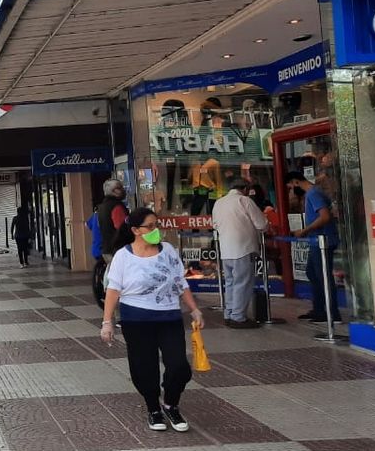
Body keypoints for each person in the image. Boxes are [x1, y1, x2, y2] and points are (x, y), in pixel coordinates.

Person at [101, 208, 204, 432]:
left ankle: (171, 404)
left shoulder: (168, 250)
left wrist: (194, 309)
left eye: (157, 225)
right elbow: (113, 289)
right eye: (150, 226)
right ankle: (153, 408)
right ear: (136, 230)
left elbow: (180, 282)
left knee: (179, 366)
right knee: (144, 367)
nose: (156, 230)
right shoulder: (123, 256)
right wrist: (107, 322)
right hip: (136, 319)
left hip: (169, 317)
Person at [211, 177, 268, 329]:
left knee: (230, 283)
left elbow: (215, 225)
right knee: (243, 283)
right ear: (245, 189)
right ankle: (238, 317)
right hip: (243, 248)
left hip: (226, 250)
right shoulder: (244, 201)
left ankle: (229, 313)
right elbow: (262, 224)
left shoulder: (219, 202)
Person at [285, 172, 341, 322]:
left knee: (323, 276)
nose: (291, 191)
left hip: (322, 240)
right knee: (312, 272)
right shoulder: (313, 193)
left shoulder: (313, 193)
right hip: (316, 240)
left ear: (296, 182)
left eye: (290, 187)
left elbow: (325, 216)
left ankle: (332, 312)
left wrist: (305, 230)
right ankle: (319, 308)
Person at [97, 179, 129, 264]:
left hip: (106, 248)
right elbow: (122, 227)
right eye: (120, 188)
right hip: (118, 249)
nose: (123, 189)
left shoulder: (102, 207)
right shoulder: (116, 206)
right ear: (115, 191)